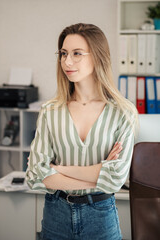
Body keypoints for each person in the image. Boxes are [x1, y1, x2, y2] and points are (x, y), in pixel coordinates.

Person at [26, 23, 138, 240]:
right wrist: (99, 173)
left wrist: (59, 169)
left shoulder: (123, 112)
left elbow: (117, 178)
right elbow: (35, 175)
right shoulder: (51, 110)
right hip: (55, 215)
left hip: (101, 217)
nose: (67, 61)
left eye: (77, 53)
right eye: (64, 53)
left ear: (97, 56)